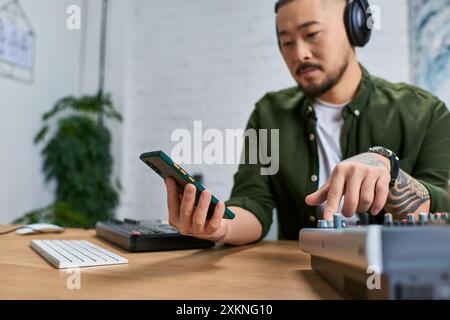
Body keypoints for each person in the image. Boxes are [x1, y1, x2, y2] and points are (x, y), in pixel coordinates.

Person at [165, 0, 450, 245]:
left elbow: (442, 210)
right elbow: (253, 203)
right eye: (286, 42)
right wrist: (220, 227)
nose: (298, 53)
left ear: (355, 28)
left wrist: (390, 171)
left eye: (311, 34)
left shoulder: (425, 112)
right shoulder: (269, 114)